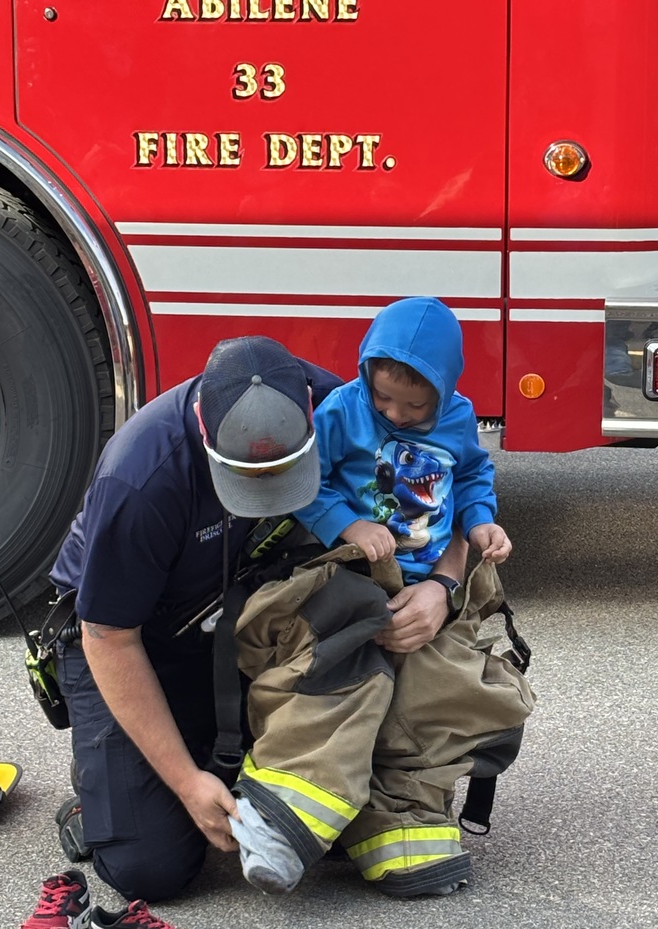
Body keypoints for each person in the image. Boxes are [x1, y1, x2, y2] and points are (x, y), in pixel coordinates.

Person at [229, 297, 534, 898]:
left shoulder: (459, 417)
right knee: (343, 664)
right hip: (352, 568)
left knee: (436, 679)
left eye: (415, 406)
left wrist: (480, 524)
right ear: (366, 372)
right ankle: (282, 816)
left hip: (424, 577)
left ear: (444, 392)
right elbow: (304, 482)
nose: (395, 413)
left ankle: (399, 823)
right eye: (384, 398)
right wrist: (348, 525)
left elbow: (473, 475)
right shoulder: (344, 408)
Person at [49, 335, 347, 902]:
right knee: (151, 867)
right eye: (246, 480)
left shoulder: (334, 400)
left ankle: (185, 750)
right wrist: (186, 782)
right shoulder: (139, 477)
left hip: (237, 615)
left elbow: (441, 472)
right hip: (132, 638)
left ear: (309, 409)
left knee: (338, 823)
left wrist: (443, 583)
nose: (267, 497)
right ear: (205, 433)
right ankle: (103, 784)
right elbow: (108, 636)